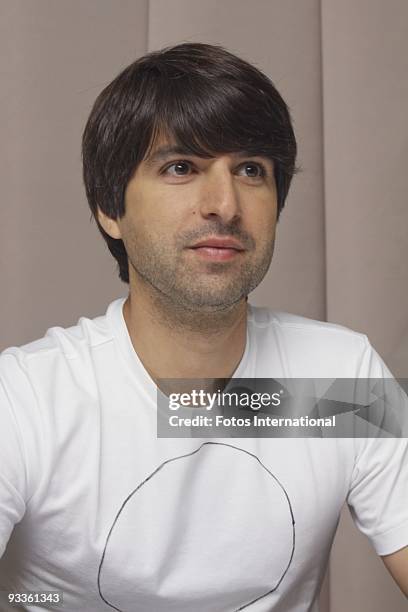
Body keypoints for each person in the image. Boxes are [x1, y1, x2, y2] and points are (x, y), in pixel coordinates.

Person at [0, 42, 407, 612]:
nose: (225, 204)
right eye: (181, 167)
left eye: (250, 170)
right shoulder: (23, 400)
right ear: (109, 208)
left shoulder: (339, 380)